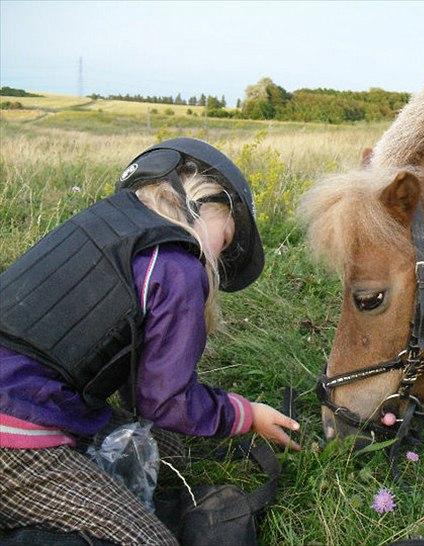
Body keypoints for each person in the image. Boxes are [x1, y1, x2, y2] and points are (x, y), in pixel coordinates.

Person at [0, 138, 300, 545]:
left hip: (25, 396)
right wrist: (245, 414)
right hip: (17, 440)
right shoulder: (177, 266)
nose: (218, 254)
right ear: (206, 204)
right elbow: (163, 400)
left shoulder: (101, 228)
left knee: (164, 452)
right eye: (225, 240)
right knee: (150, 540)